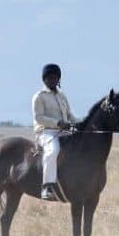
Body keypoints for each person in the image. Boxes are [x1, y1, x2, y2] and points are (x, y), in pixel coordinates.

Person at [32, 63, 77, 201]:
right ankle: (47, 187)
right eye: (49, 78)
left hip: (63, 132)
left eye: (55, 77)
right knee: (53, 150)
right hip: (46, 132)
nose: (52, 80)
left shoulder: (62, 96)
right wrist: (57, 123)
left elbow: (69, 114)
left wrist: (79, 125)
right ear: (44, 79)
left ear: (59, 79)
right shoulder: (39, 96)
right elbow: (38, 117)